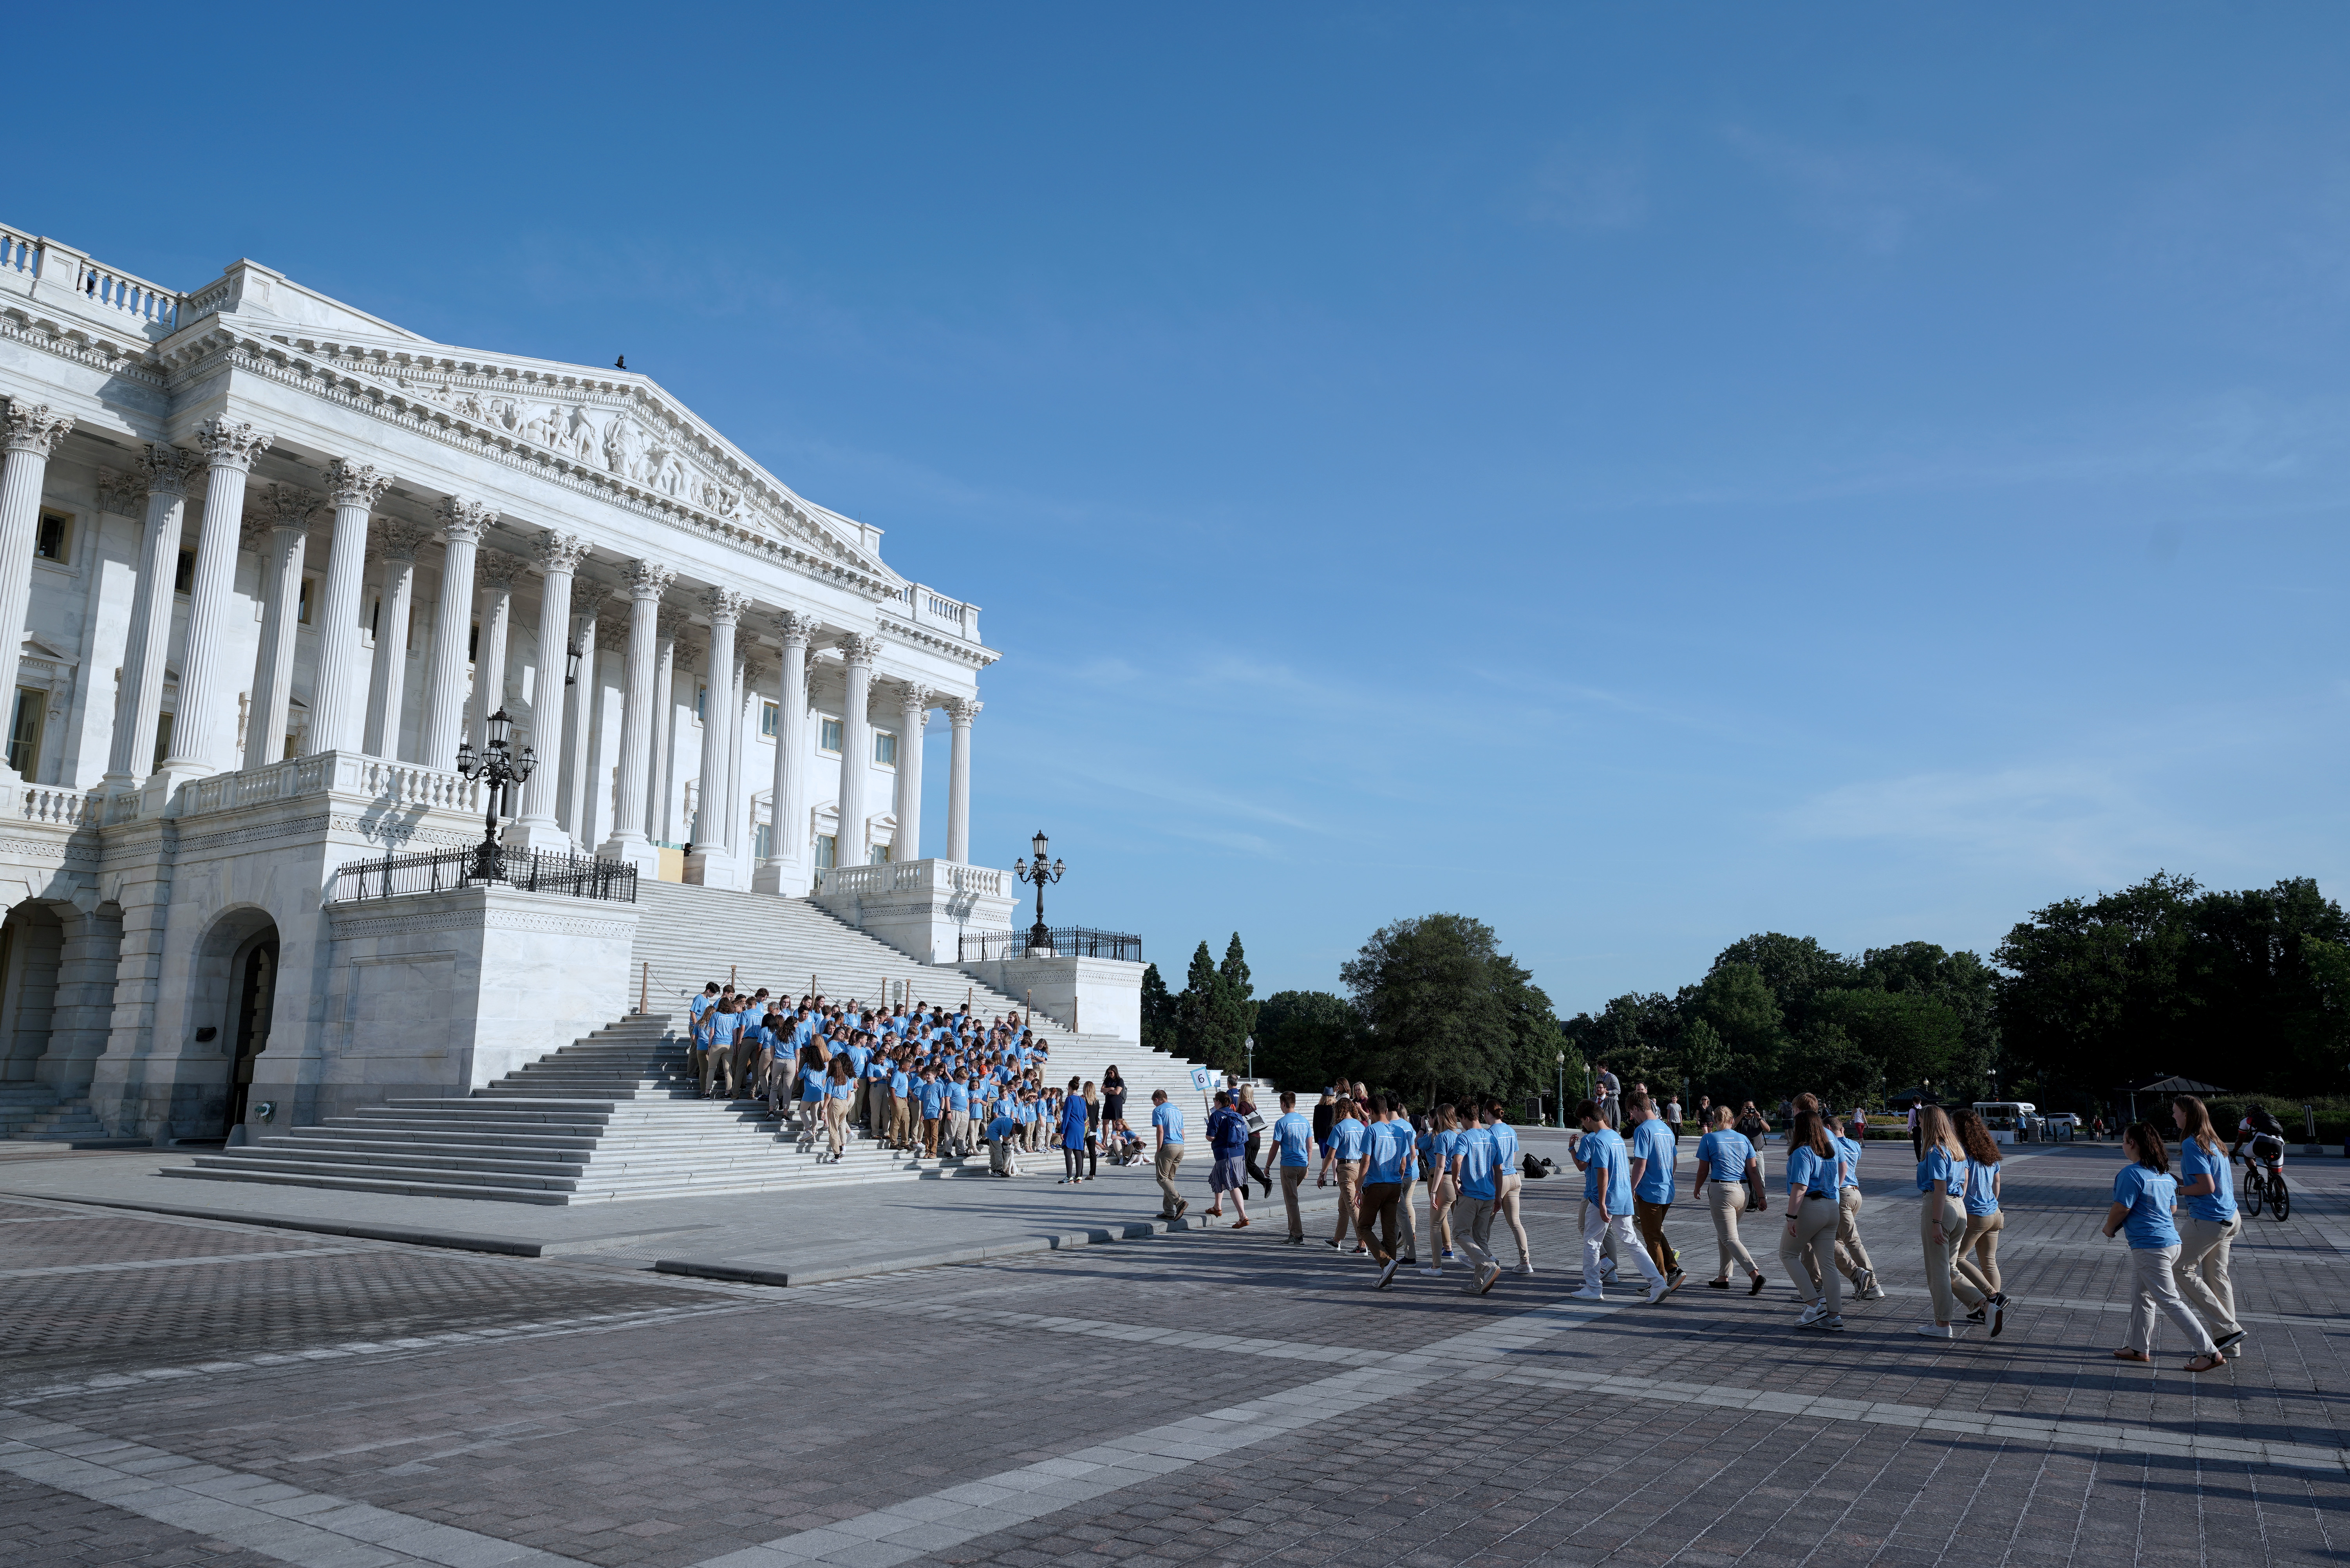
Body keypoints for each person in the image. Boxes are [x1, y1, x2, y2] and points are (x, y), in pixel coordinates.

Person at [2104, 1122, 2223, 1372]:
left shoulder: (2131, 1174)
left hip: (2151, 1247)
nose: (2123, 1146)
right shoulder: (2164, 1175)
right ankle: (2139, 1348)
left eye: (2124, 1141)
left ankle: (2210, 1353)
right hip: (2171, 1243)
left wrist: (2109, 1228)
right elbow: (2172, 1209)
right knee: (2142, 1295)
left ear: (2133, 1144)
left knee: (2169, 1300)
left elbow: (2122, 1208)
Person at [1568, 1101, 1668, 1304]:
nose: (1584, 1126)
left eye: (1583, 1121)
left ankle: (1593, 1288)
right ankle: (1658, 1283)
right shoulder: (1616, 1137)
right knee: (1632, 1242)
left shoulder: (1597, 1140)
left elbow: (1603, 1173)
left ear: (1588, 1119)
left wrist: (1603, 1203)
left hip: (1603, 1199)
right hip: (1623, 1197)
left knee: (1592, 1242)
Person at [2171, 1096, 2247, 1358]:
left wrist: (2178, 1189)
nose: (2174, 1116)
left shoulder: (2192, 1144)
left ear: (2187, 1115)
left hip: (2209, 1219)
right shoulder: (2215, 1141)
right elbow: (2209, 1182)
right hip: (2230, 1217)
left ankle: (2228, 1328)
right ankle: (2231, 1343)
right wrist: (2180, 1181)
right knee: (2217, 1277)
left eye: (2176, 1112)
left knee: (2179, 1268)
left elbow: (2206, 1188)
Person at [1913, 1105, 1984, 1338]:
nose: (1919, 1124)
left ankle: (1942, 1324)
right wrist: (1955, 1207)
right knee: (1950, 1267)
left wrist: (1936, 1221)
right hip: (1958, 1208)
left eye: (1921, 1121)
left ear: (1930, 1123)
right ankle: (1984, 1304)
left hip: (1940, 1206)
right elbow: (1964, 1182)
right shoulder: (1957, 1150)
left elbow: (1940, 1187)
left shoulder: (1935, 1151)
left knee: (1938, 1271)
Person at [1779, 1108, 1846, 1330]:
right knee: (1828, 1264)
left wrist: (1791, 1217)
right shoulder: (1828, 1151)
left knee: (1788, 1254)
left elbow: (1800, 1187)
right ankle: (1834, 1316)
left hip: (1811, 1207)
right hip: (1831, 1207)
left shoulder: (1802, 1152)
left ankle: (1813, 1303)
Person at [1950, 1109, 2011, 1335]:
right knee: (1989, 1262)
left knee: (1956, 1259)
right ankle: (1989, 1309)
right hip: (1995, 1213)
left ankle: (1993, 1296)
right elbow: (1997, 1182)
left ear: (1960, 1128)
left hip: (1976, 1214)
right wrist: (1993, 1203)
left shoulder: (1963, 1152)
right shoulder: (1989, 1151)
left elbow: (1963, 1187)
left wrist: (1960, 1212)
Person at [1692, 1105, 1764, 1293]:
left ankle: (1754, 1274)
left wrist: (1697, 1187)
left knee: (1729, 1237)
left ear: (1715, 1121)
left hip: (1722, 1189)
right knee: (1725, 1234)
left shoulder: (1709, 1138)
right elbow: (1754, 1171)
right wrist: (1762, 1196)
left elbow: (1703, 1169)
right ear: (1733, 1121)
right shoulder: (1744, 1139)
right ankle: (1723, 1277)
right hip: (1743, 1191)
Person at [1623, 1091, 1683, 1290]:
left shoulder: (1643, 1130)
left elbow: (1641, 1163)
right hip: (1667, 1190)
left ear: (1637, 1108)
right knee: (1655, 1232)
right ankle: (1674, 1270)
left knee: (1651, 1239)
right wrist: (1666, 1178)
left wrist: (1630, 1188)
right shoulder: (1666, 1129)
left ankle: (1659, 1282)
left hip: (1650, 1192)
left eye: (1632, 1112)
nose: (1632, 1117)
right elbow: (1674, 1161)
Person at [1355, 1094, 1413, 1286]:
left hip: (1375, 1185)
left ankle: (1386, 1262)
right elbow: (1404, 1164)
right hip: (1395, 1185)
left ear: (1370, 1111)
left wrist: (1358, 1189)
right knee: (1389, 1230)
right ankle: (1388, 1275)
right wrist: (1398, 1181)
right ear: (1387, 1110)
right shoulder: (1399, 1131)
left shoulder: (1371, 1130)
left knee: (1364, 1226)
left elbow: (1366, 1162)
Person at [1449, 1104, 1506, 1295]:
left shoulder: (1464, 1137)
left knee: (1459, 1233)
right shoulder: (1491, 1137)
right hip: (1489, 1195)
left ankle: (1488, 1265)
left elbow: (1457, 1161)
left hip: (1470, 1194)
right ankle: (1478, 1283)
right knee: (1481, 1238)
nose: (1461, 1124)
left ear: (1464, 1117)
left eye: (1460, 1120)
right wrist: (1498, 1196)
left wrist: (1455, 1180)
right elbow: (1499, 1169)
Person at [1828, 1114, 1882, 1301]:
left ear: (1827, 1128)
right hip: (1856, 1194)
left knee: (1850, 1241)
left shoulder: (1831, 1145)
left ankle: (1872, 1283)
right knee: (1836, 1240)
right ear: (1842, 1129)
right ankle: (1818, 1284)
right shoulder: (1854, 1145)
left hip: (1842, 1194)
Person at [1486, 1098, 1533, 1274]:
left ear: (1487, 1113)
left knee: (1485, 1223)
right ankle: (1525, 1261)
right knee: (1515, 1222)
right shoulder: (1511, 1131)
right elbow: (1513, 1157)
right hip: (1514, 1177)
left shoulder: (1490, 1133)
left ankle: (1486, 1257)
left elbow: (1490, 1161)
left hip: (1499, 1180)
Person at [1321, 1098, 1368, 1253]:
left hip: (1346, 1169)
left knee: (1353, 1206)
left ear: (1339, 1111)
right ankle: (1337, 1240)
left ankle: (1363, 1244)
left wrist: (1323, 1173)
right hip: (1360, 1167)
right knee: (1344, 1207)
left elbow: (1330, 1155)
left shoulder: (1339, 1128)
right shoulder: (1361, 1126)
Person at [1419, 1103, 1461, 1275]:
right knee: (1463, 1225)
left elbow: (1440, 1166)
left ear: (1441, 1118)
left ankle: (1436, 1266)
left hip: (1444, 1181)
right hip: (1458, 1182)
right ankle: (1478, 1258)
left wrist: (1433, 1191)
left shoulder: (1442, 1137)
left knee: (1435, 1225)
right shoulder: (1460, 1136)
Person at [1271, 1091, 1314, 1243]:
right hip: (1303, 1165)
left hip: (1288, 1166)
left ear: (1283, 1104)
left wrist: (1268, 1165)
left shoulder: (1282, 1122)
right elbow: (1310, 1148)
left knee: (1291, 1201)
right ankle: (1292, 1232)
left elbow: (1275, 1147)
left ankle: (1297, 1235)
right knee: (1292, 1198)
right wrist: (1308, 1165)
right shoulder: (1305, 1121)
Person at [1204, 1090, 1251, 1226]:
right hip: (1239, 1153)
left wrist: (1209, 1132)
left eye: (1215, 1101)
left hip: (1226, 1155)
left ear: (1218, 1102)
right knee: (1217, 1177)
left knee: (1233, 1185)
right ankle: (1217, 1207)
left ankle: (1243, 1216)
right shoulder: (1236, 1114)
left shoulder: (1216, 1116)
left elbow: (1211, 1137)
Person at [1150, 1088, 1188, 1221]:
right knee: (1169, 1180)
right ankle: (1169, 1212)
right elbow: (1183, 1133)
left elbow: (1160, 1131)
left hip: (1168, 1145)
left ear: (1157, 1100)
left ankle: (1179, 1202)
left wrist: (1159, 1149)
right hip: (1180, 1146)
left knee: (1162, 1178)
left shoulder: (1158, 1110)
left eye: (1154, 1103)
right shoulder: (1178, 1110)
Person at [1239, 1087, 1273, 1199]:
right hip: (1257, 1139)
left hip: (1248, 1139)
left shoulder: (1243, 1105)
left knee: (1244, 1165)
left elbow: (1239, 1119)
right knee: (1250, 1164)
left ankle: (1244, 1191)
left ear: (1243, 1092)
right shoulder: (1253, 1105)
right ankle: (1266, 1182)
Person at [1057, 1076, 1091, 1185]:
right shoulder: (1082, 1100)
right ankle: (1079, 1177)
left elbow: (1066, 1115)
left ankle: (1069, 1177)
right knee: (1078, 1152)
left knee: (1068, 1151)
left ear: (1070, 1088)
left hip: (1071, 1126)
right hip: (1081, 1127)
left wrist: (1063, 1130)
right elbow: (1085, 1115)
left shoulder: (1070, 1099)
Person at [985, 1107, 1022, 1176]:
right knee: (998, 1151)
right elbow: (1005, 1139)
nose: (1013, 1133)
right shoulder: (1009, 1126)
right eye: (1014, 1132)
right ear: (1014, 1127)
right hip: (993, 1132)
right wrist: (1011, 1136)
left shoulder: (1011, 1122)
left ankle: (994, 1170)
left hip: (992, 1130)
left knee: (993, 1152)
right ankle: (999, 1171)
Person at [1593, 1062, 1622, 1127]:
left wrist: (1608, 1092)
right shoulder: (1598, 1077)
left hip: (1611, 1103)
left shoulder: (1612, 1077)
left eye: (1599, 1067)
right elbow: (1595, 1088)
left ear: (1605, 1068)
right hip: (1599, 1101)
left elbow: (1618, 1091)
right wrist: (1595, 1093)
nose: (1597, 1068)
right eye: (1597, 1066)